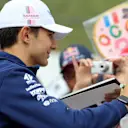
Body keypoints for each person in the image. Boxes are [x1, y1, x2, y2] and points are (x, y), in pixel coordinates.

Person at [0, 0, 128, 128]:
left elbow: (54, 117)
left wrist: (82, 92)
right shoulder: (11, 76)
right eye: (50, 35)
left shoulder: (8, 75)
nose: (55, 45)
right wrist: (124, 101)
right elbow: (70, 124)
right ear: (26, 34)